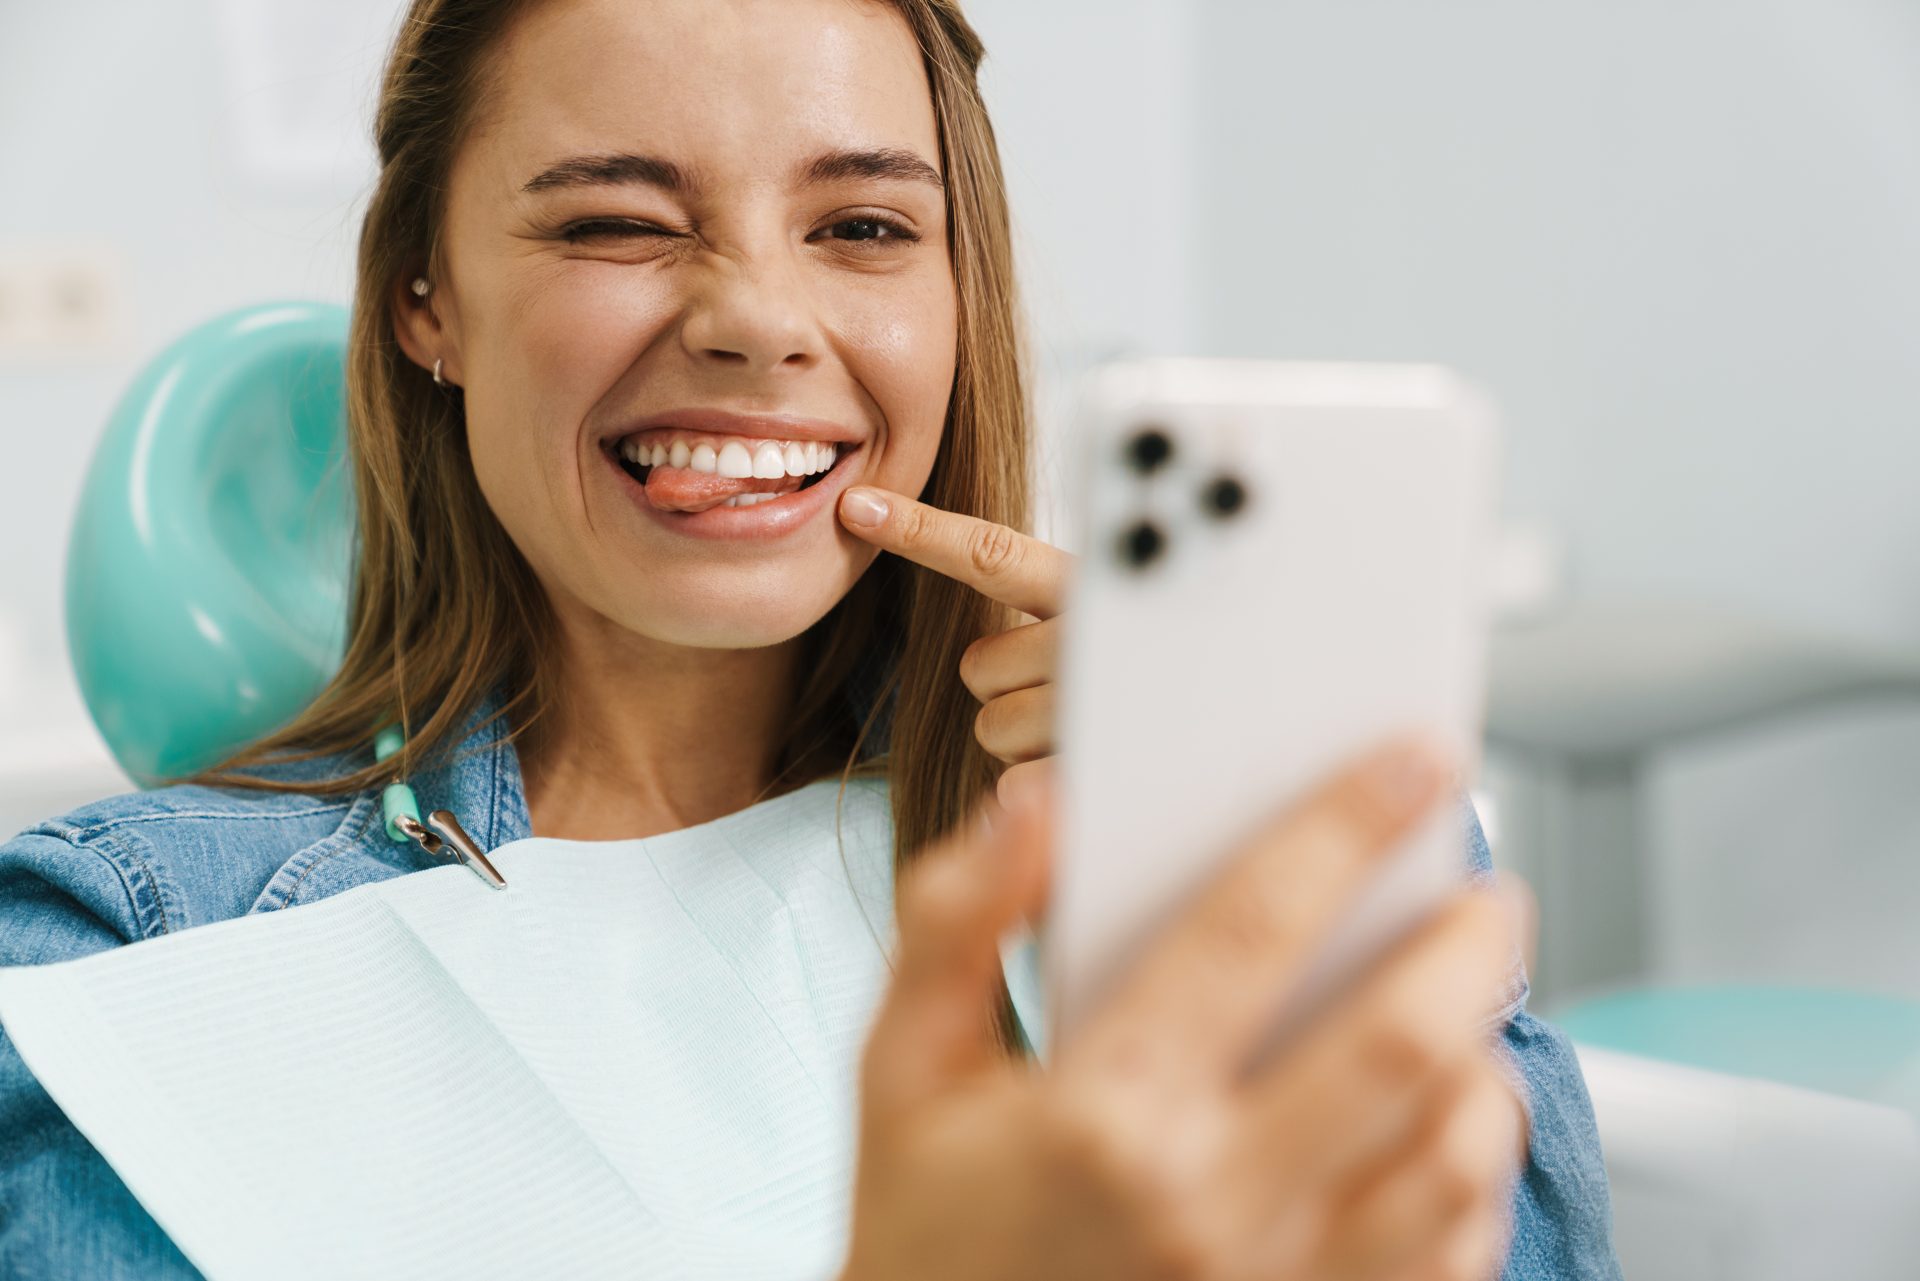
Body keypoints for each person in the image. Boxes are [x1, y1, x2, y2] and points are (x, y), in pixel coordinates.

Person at [0, 0, 1619, 1276]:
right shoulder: (121, 952)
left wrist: (1299, 872)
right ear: (428, 295)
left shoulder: (1231, 863)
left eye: (860, 230)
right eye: (616, 223)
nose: (758, 317)